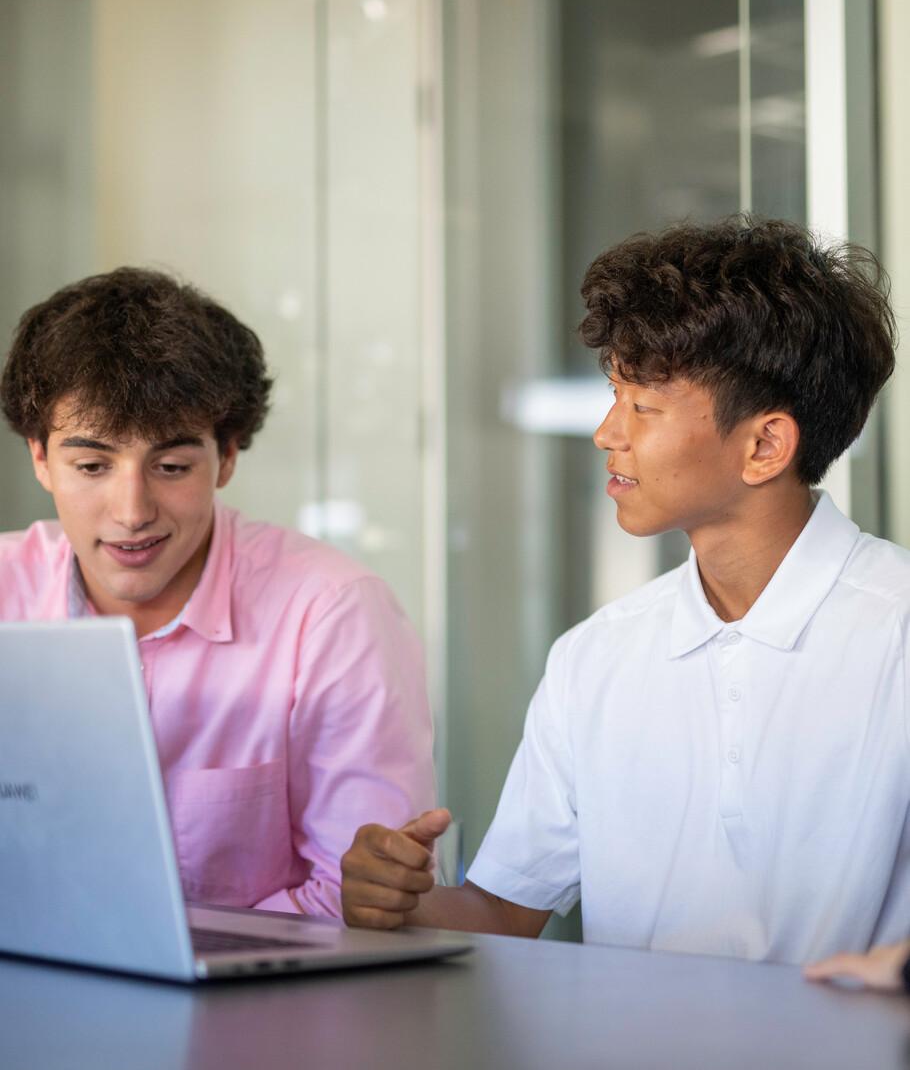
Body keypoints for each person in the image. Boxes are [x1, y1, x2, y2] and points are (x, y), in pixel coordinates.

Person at [341, 216, 910, 966]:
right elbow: (504, 910)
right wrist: (399, 903)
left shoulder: (894, 633)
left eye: (643, 405)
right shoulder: (595, 657)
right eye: (615, 392)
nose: (608, 432)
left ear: (765, 445)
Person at [0, 267, 434, 917]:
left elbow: (361, 899)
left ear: (227, 455)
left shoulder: (331, 614)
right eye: (91, 466)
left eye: (172, 467)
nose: (132, 510)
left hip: (258, 1008)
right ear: (39, 457)